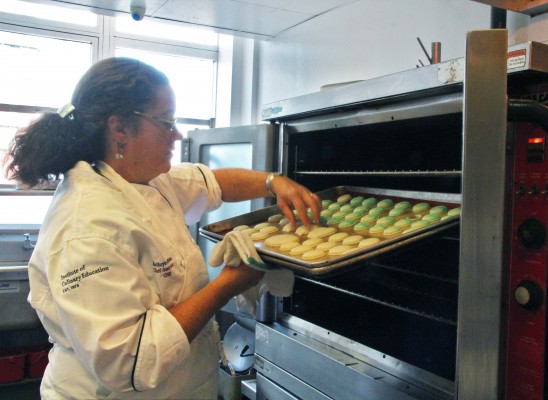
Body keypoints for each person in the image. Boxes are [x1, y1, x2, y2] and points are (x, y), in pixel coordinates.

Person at [3, 57, 321, 399]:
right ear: (120, 128)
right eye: (166, 120)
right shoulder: (88, 228)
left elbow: (213, 182)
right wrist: (229, 284)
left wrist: (274, 183)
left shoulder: (143, 178)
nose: (178, 133)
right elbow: (132, 359)